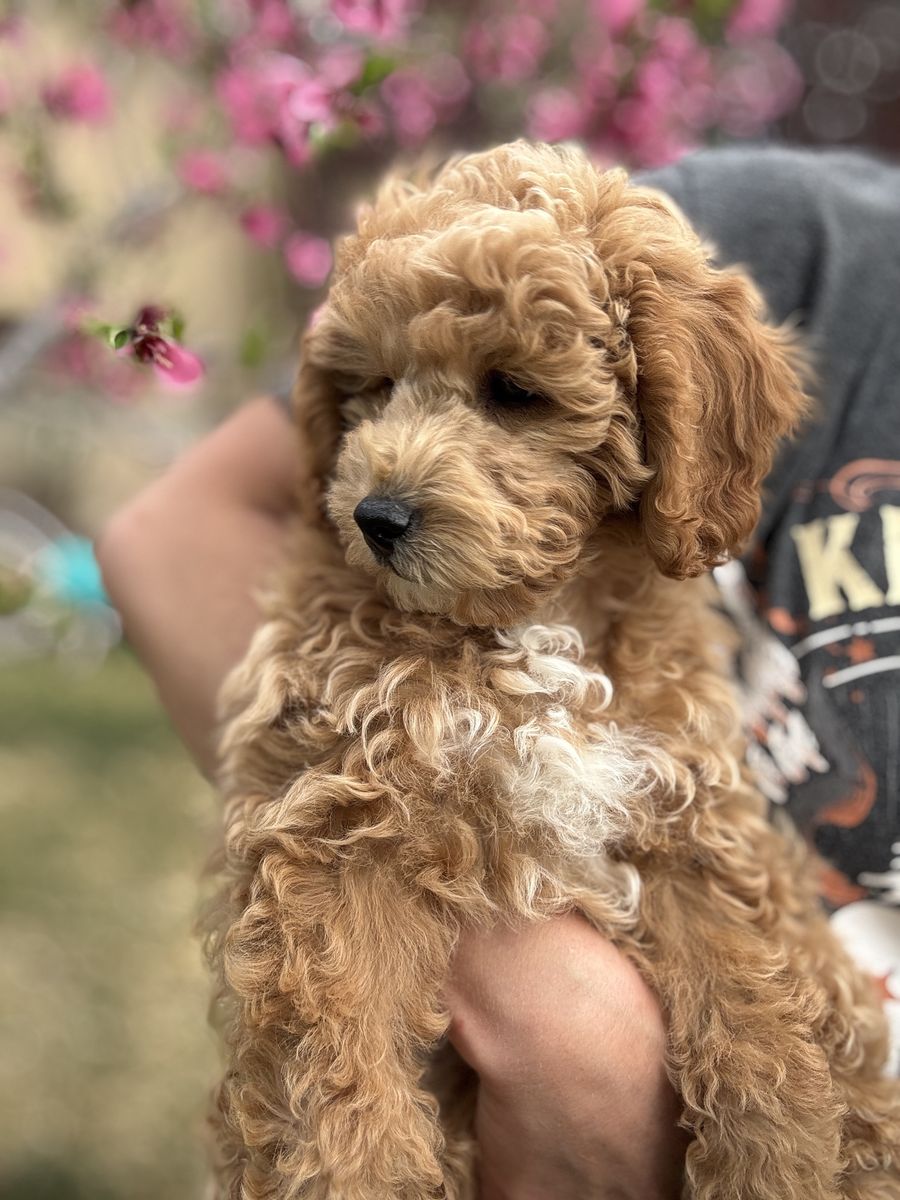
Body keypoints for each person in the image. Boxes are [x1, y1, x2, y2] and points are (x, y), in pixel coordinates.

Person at [97, 144, 900, 1199]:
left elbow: (711, 879)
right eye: (374, 390)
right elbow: (178, 529)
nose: (386, 471)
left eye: (515, 392)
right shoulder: (781, 238)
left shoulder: (658, 643)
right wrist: (569, 1039)